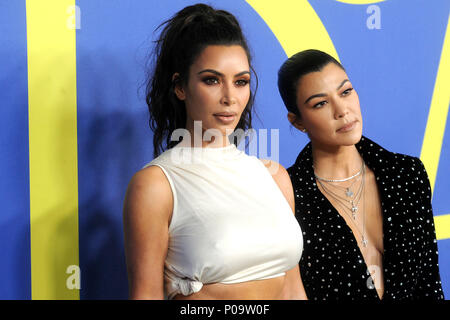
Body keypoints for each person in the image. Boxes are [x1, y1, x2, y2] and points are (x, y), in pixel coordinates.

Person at [122, 4, 306, 300]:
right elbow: (146, 295)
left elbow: (293, 289)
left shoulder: (275, 177)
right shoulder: (156, 185)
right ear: (180, 86)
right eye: (212, 80)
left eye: (241, 82)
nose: (230, 98)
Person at [277, 49, 444, 300]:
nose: (342, 110)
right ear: (297, 121)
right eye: (320, 103)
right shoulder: (285, 196)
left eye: (345, 92)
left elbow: (430, 285)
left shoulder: (408, 175)